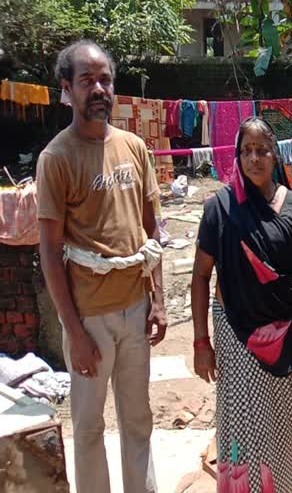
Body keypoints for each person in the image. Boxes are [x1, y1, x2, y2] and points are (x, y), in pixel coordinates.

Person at [37, 40, 166, 492]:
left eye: (105, 79)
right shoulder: (56, 158)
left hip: (135, 310)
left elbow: (152, 234)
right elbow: (50, 251)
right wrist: (73, 332)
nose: (98, 88)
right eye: (87, 80)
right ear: (66, 89)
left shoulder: (134, 147)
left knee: (139, 420)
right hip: (88, 317)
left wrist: (159, 302)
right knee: (88, 428)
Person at [190, 116, 292, 493]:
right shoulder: (221, 208)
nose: (254, 158)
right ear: (237, 156)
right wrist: (202, 343)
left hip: (288, 336)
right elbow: (200, 276)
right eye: (246, 150)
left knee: (281, 426)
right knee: (244, 426)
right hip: (236, 333)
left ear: (275, 154)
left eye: (262, 149)